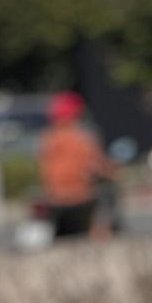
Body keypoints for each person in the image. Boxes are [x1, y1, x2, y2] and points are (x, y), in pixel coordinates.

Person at [37, 93, 113, 241]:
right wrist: (110, 172)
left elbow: (44, 170)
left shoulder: (47, 139)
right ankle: (100, 236)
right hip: (81, 197)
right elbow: (98, 166)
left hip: (54, 198)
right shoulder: (82, 138)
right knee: (107, 198)